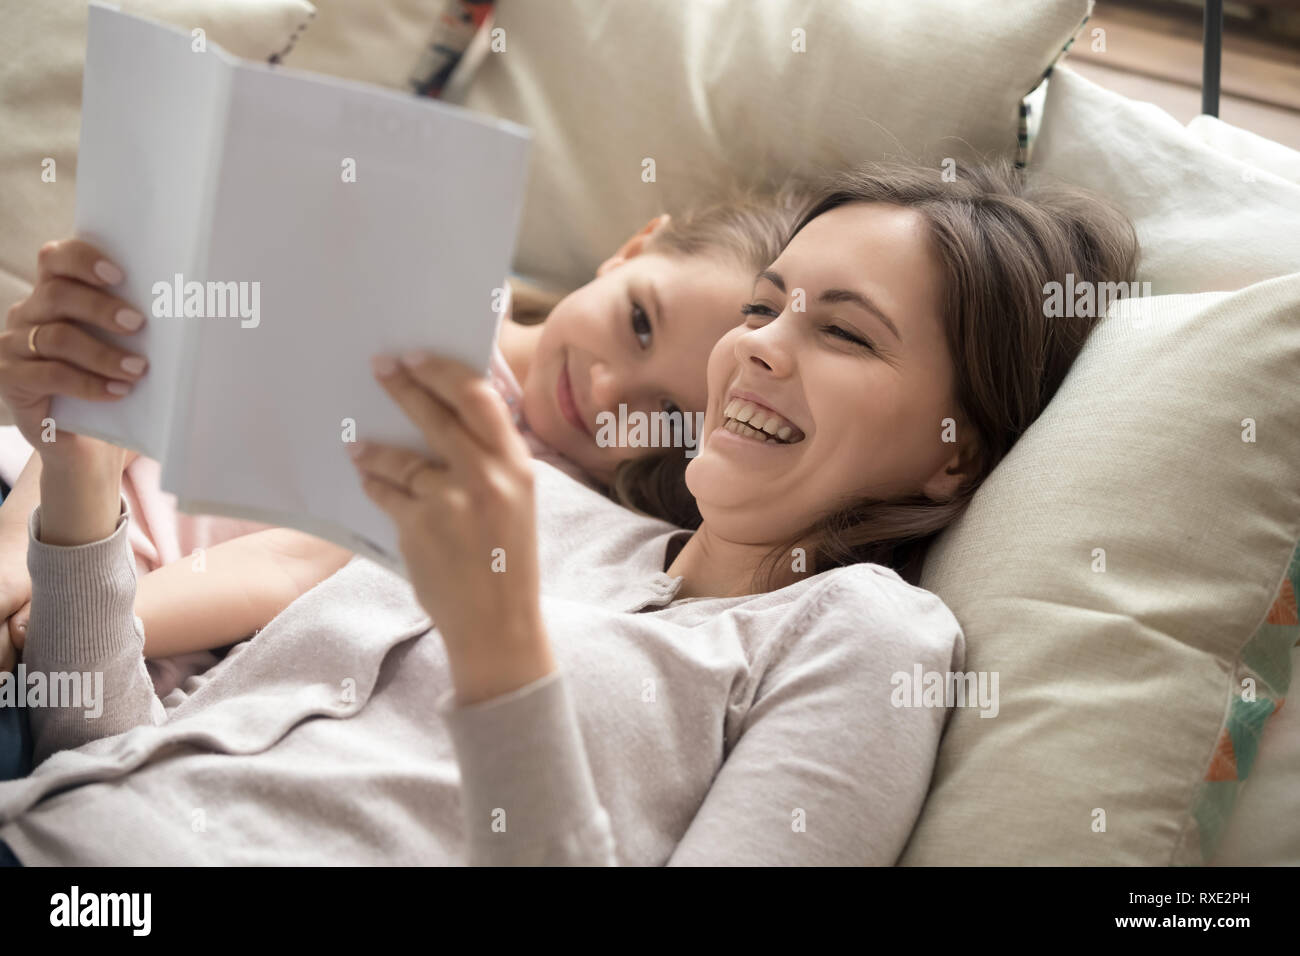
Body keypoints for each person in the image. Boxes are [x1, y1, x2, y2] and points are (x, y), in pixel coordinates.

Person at [0, 159, 1139, 865]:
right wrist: (79, 461)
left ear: (958, 454)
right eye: (762, 304)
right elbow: (102, 753)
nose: (754, 349)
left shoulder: (863, 640)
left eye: (840, 331)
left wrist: (502, 650)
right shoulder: (533, 498)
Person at [0, 185, 816, 693]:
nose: (604, 388)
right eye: (638, 320)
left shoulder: (528, 501)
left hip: (135, 633)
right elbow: (132, 376)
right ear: (634, 247)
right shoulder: (421, 282)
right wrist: (15, 553)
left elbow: (290, 566)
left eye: (659, 413)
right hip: (36, 490)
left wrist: (69, 617)